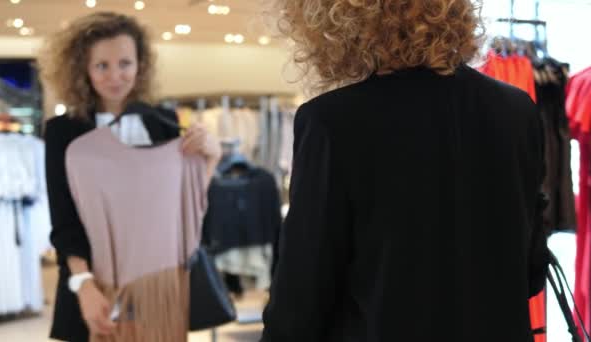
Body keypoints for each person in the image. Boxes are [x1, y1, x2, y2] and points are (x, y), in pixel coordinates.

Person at [262, 1, 548, 341]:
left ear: (342, 18)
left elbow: (302, 295)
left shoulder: (332, 122)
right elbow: (530, 271)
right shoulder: (517, 110)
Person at [38, 12, 220, 342]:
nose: (115, 76)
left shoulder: (163, 121)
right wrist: (84, 285)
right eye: (102, 65)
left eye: (125, 63)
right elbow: (64, 219)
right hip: (93, 285)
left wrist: (211, 157)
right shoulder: (64, 132)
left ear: (140, 65)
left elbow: (187, 206)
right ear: (84, 69)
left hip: (159, 285)